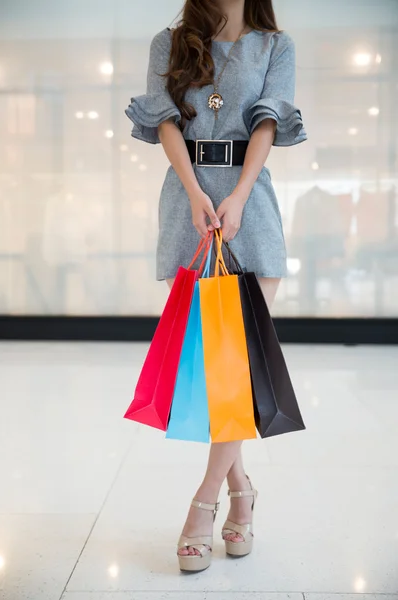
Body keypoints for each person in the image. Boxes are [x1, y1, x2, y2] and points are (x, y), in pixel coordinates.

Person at [125, 0, 307, 572]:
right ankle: (243, 494)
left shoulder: (275, 46)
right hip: (189, 205)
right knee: (208, 372)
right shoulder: (170, 41)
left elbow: (269, 124)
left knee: (238, 368)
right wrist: (198, 193)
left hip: (248, 207)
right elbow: (165, 122)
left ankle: (204, 503)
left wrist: (237, 196)